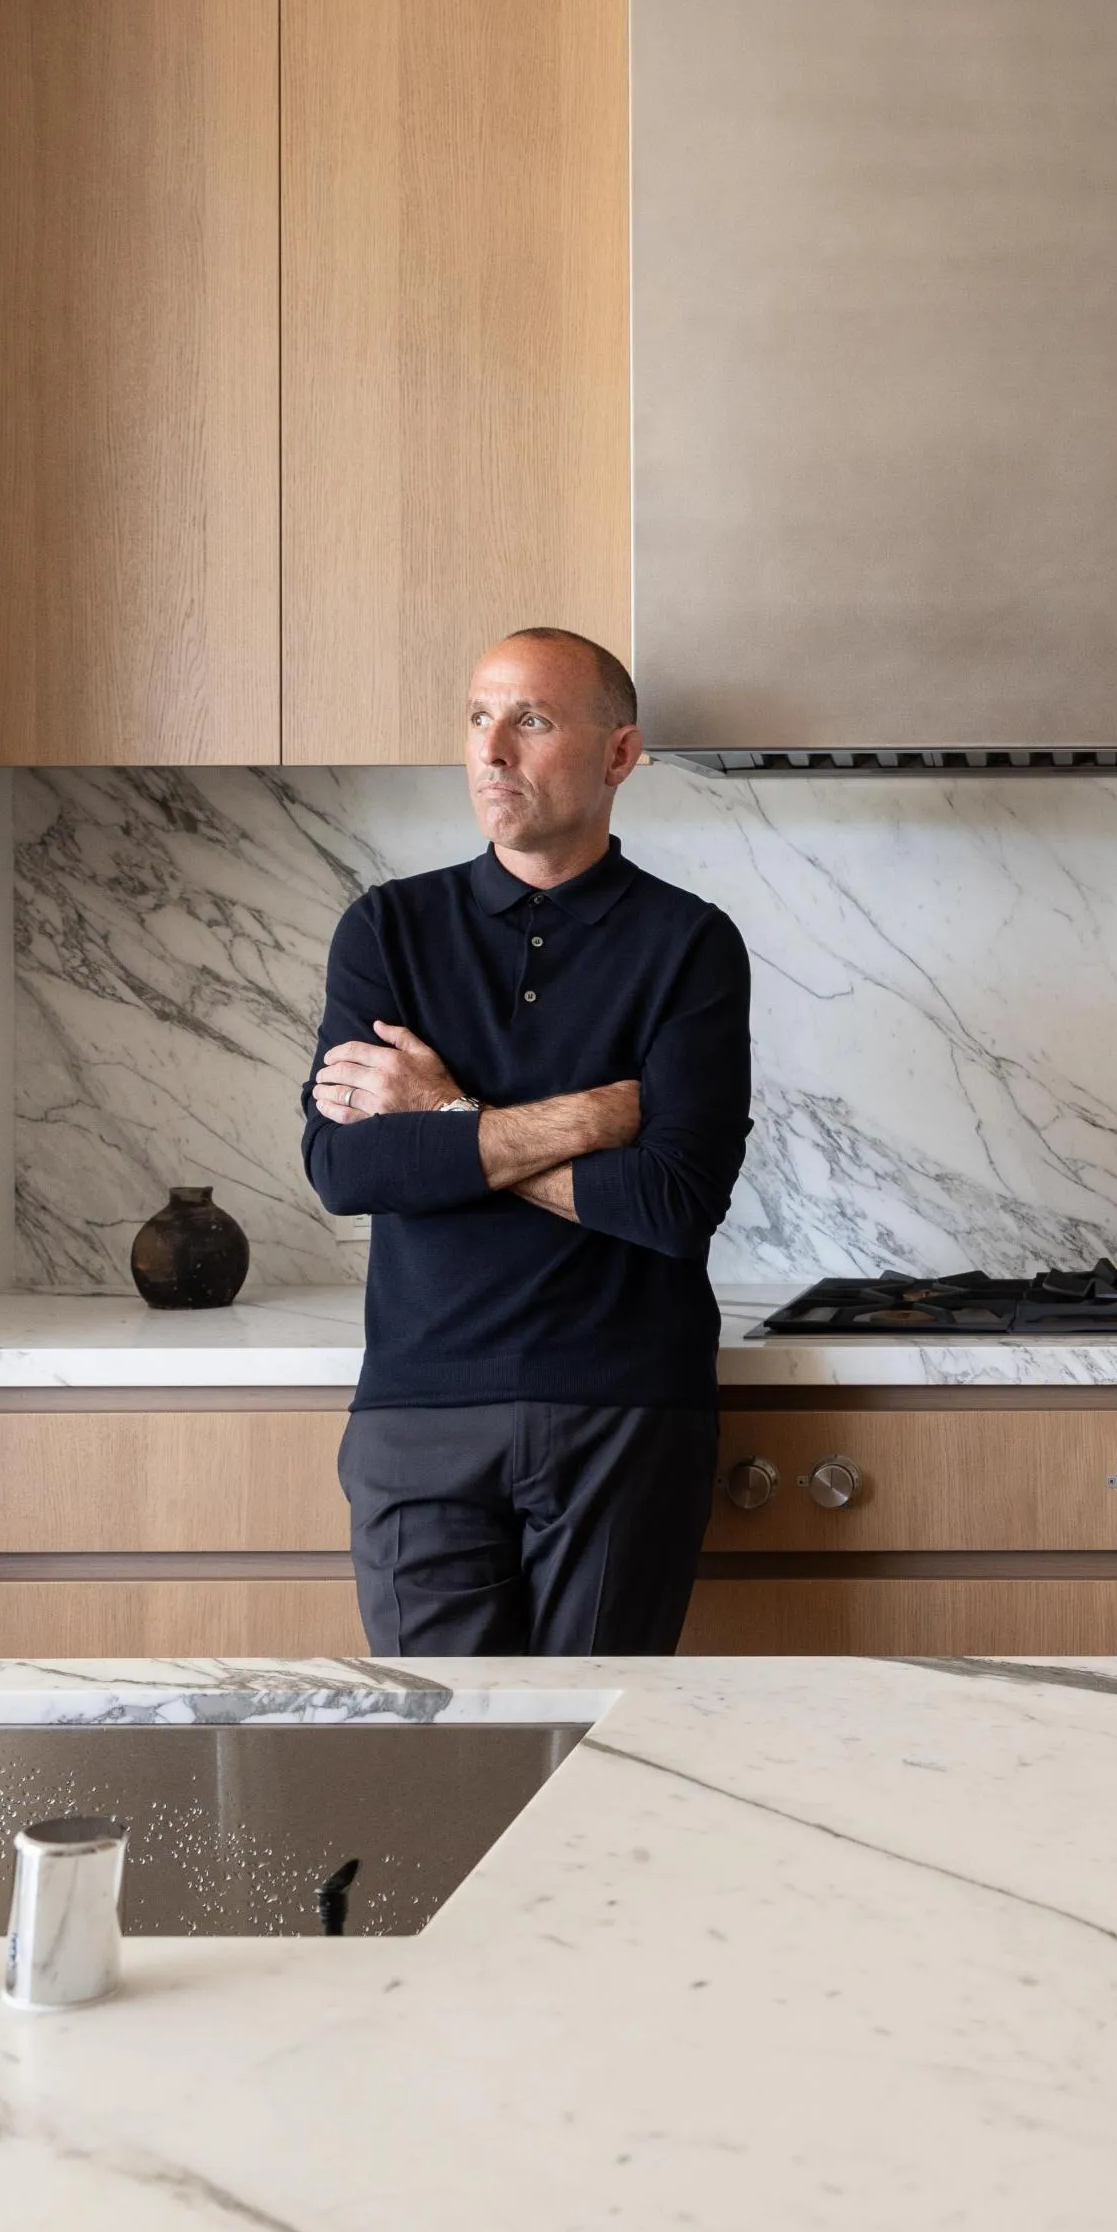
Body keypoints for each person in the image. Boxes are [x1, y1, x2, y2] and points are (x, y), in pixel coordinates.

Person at [300, 627, 751, 1657]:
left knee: (595, 1735)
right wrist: (581, 1118)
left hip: (625, 1408)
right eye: (478, 717)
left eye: (532, 720)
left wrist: (441, 1126)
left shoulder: (688, 943)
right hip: (421, 1404)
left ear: (619, 753)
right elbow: (345, 1167)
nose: (492, 749)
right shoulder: (386, 930)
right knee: (444, 1740)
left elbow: (674, 1202)